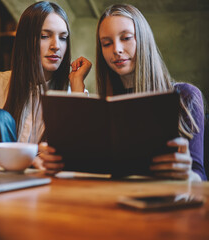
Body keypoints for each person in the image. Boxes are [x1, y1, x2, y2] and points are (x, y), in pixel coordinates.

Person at [40, 4, 207, 181]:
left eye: (126, 38)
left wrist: (187, 174)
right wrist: (58, 162)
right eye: (107, 43)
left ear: (143, 40)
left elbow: (200, 176)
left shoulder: (186, 96)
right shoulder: (106, 107)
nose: (117, 49)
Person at [0, 1, 91, 165]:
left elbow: (83, 153)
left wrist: (78, 85)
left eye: (63, 38)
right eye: (44, 36)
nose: (56, 46)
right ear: (25, 40)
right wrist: (31, 160)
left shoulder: (74, 90)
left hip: (52, 184)